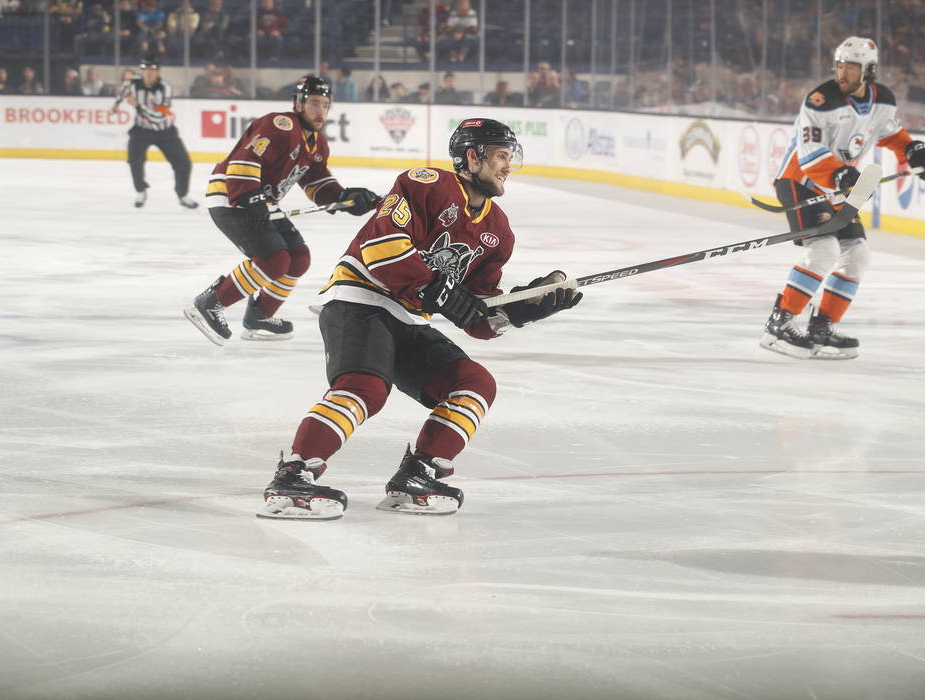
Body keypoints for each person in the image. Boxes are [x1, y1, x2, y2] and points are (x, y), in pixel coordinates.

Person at [255, 119, 582, 521]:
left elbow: (478, 315)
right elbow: (381, 247)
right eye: (500, 156)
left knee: (474, 383)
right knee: (365, 388)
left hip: (409, 319)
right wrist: (438, 290)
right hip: (361, 299)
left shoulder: (498, 232)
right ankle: (294, 474)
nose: (507, 166)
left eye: (510, 157)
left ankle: (418, 473)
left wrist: (529, 306)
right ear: (472, 156)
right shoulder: (425, 184)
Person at [761, 36, 925, 360]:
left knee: (858, 255)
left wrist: (914, 149)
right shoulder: (819, 101)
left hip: (841, 184)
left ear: (869, 71)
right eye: (840, 65)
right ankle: (780, 323)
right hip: (801, 180)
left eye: (851, 67)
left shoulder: (883, 100)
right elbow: (809, 155)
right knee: (824, 249)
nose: (842, 73)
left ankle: (821, 328)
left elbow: (889, 133)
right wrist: (840, 175)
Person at [184, 76, 382, 345]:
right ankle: (210, 302)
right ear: (298, 103)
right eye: (314, 103)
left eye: (325, 105)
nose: (320, 111)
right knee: (273, 260)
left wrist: (348, 198)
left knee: (299, 257)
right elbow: (246, 158)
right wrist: (248, 199)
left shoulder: (317, 144)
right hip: (232, 195)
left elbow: (318, 185)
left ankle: (260, 315)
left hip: (260, 203)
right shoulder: (281, 126)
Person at [112, 54, 197, 209]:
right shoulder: (132, 84)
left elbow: (158, 117)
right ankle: (140, 191)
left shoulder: (165, 88)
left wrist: (137, 105)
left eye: (152, 69)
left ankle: (182, 194)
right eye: (145, 69)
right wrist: (116, 104)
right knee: (134, 160)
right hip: (141, 130)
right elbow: (123, 90)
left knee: (184, 163)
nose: (149, 73)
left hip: (164, 131)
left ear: (159, 72)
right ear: (141, 71)